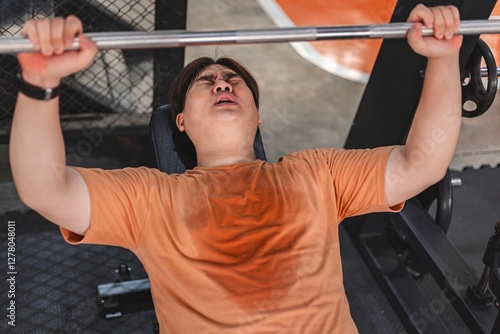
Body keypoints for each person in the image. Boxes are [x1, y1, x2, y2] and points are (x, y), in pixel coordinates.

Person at [9, 4, 462, 333]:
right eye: (205, 82)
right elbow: (45, 189)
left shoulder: (315, 172)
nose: (222, 82)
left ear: (257, 117)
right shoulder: (150, 197)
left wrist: (442, 59)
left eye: (233, 80)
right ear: (180, 122)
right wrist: (41, 85)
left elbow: (420, 164)